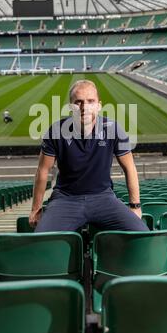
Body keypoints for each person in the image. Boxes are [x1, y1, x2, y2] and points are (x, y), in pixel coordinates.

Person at [29, 79, 148, 232]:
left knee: (141, 233)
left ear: (99, 105)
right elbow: (43, 171)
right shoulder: (55, 131)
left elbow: (130, 168)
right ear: (71, 106)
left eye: (90, 101)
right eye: (78, 102)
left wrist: (135, 206)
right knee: (42, 239)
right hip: (65, 199)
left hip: (104, 198)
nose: (84, 107)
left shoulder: (114, 129)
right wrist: (36, 209)